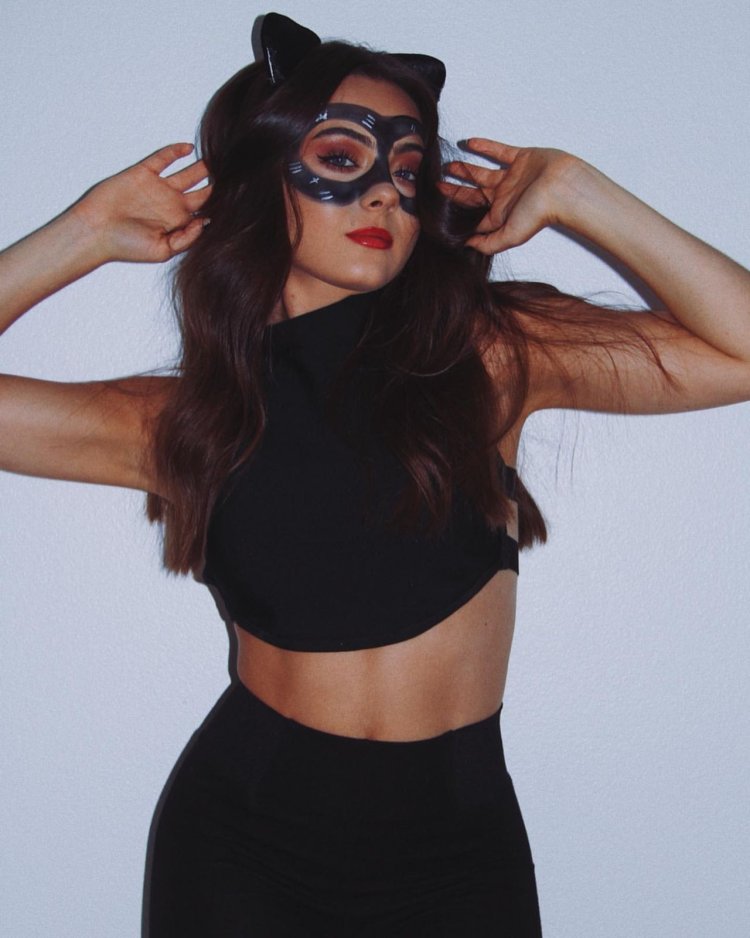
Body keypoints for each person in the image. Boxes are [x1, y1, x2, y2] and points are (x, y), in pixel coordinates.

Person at [2, 12, 748, 937]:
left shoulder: (489, 355)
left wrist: (581, 192)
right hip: (245, 847)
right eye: (341, 158)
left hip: (457, 854)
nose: (387, 195)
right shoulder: (186, 419)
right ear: (260, 182)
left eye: (407, 168)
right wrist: (80, 234)